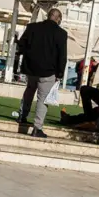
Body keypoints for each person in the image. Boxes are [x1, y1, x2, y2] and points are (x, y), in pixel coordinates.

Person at [14, 8, 67, 138]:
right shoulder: (61, 33)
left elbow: (22, 45)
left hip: (31, 68)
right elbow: (62, 55)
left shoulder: (32, 27)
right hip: (48, 71)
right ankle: (37, 128)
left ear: (48, 16)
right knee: (42, 99)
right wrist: (60, 73)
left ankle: (22, 116)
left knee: (29, 90)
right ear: (58, 19)